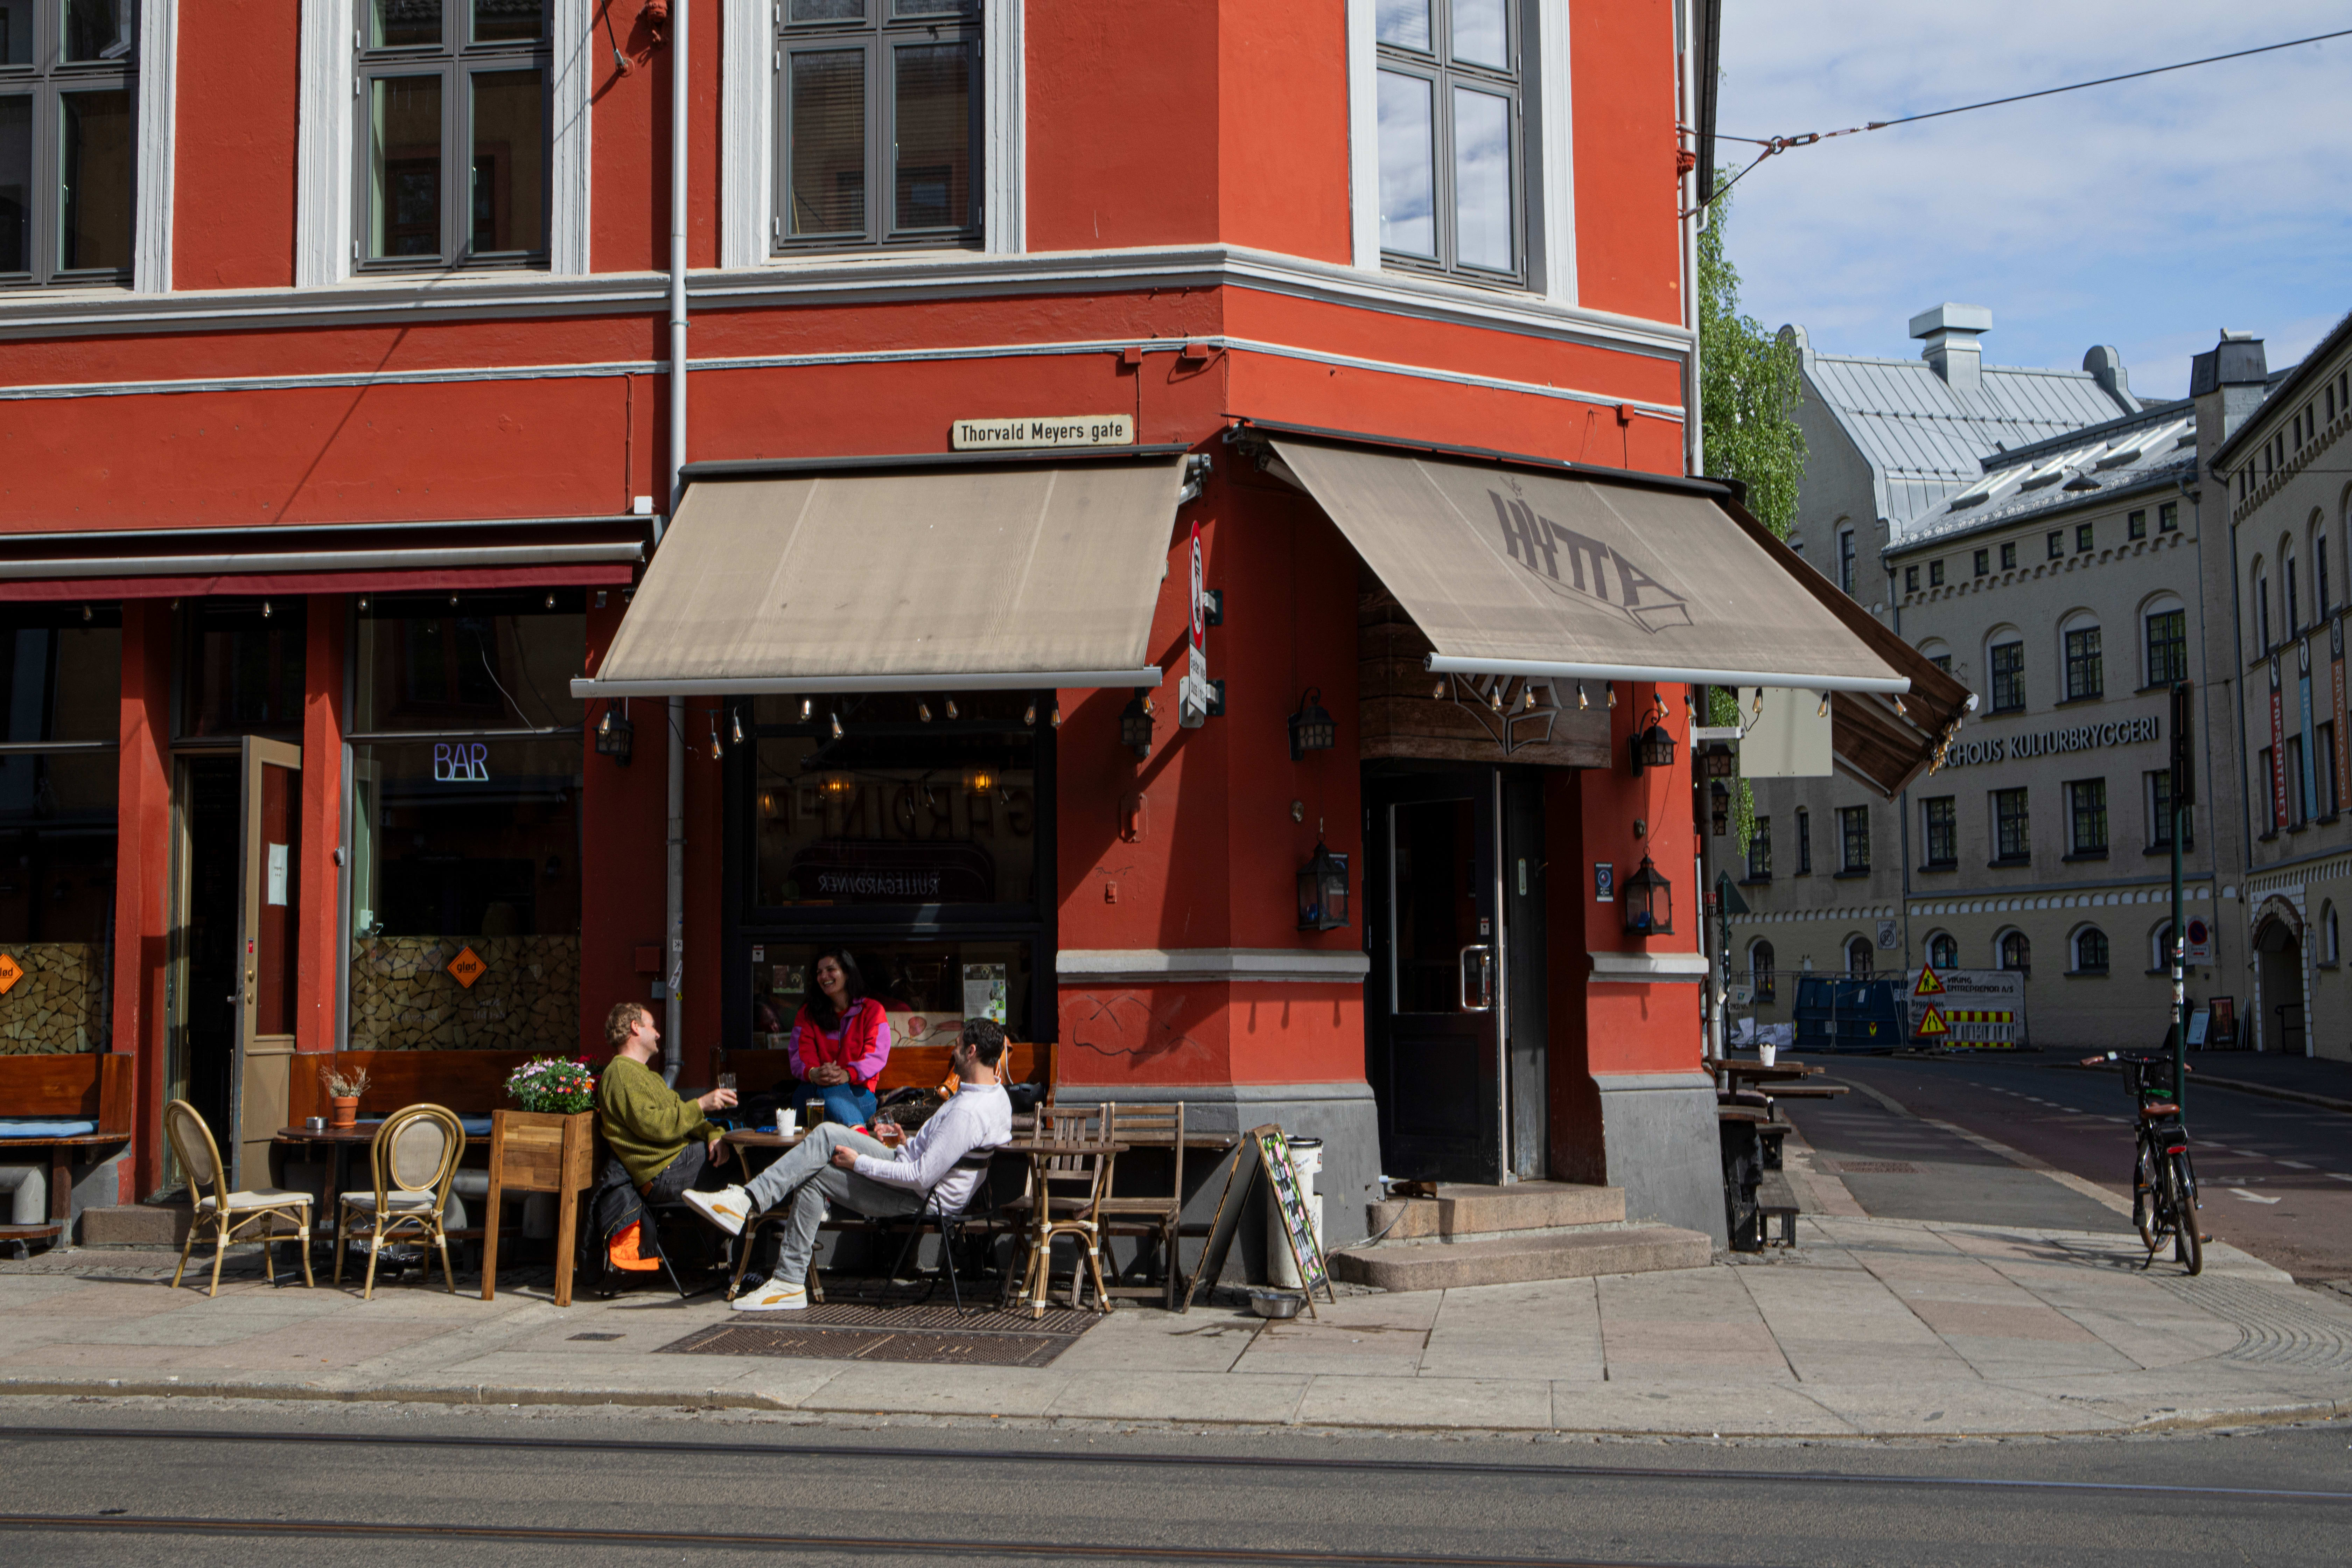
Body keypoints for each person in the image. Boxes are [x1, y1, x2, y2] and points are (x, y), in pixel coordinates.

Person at [685, 1018, 1013, 1312]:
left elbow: (920, 1176)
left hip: (922, 1197)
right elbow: (939, 1155)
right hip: (915, 1173)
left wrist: (860, 1163)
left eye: (956, 1047)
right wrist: (906, 1142)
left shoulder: (968, 1111)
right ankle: (751, 1214)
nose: (952, 1053)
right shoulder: (992, 1096)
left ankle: (775, 1258)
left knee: (817, 1175)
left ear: (971, 1052)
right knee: (827, 1133)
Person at [595, 1001, 737, 1272]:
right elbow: (654, 1126)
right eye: (653, 1026)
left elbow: (681, 1117)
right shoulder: (621, 1074)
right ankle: (747, 1261)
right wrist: (701, 1105)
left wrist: (714, 1134)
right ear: (635, 1028)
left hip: (675, 1164)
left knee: (742, 1155)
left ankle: (735, 1254)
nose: (658, 1034)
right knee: (747, 1161)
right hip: (662, 1172)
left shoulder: (647, 1076)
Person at [789, 949, 891, 1128]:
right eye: (819, 972)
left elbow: (876, 1055)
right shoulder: (807, 1014)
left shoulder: (872, 1011)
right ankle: (857, 1133)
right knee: (821, 1091)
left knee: (830, 1094)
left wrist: (847, 1074)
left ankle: (849, 1133)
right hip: (812, 1091)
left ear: (847, 972)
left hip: (859, 1094)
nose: (824, 976)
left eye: (830, 970)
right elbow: (801, 1053)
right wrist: (815, 1073)